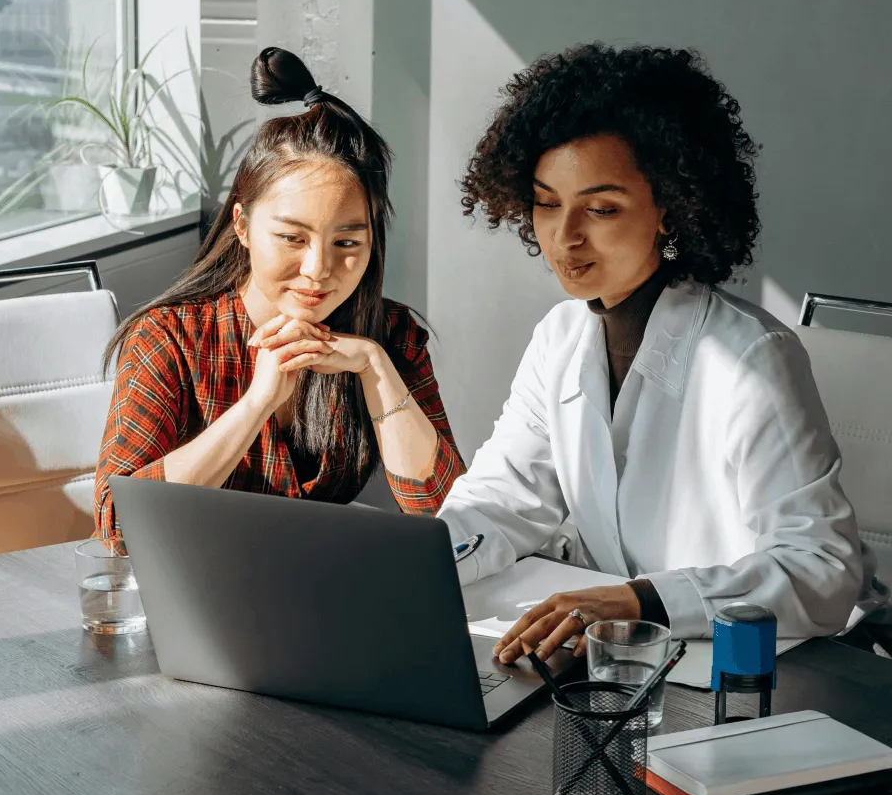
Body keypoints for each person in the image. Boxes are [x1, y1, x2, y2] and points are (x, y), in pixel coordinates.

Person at [438, 42, 885, 663]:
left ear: (671, 210)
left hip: (762, 667)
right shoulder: (560, 338)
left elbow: (821, 569)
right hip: (629, 661)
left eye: (600, 208)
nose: (564, 236)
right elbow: (503, 500)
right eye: (546, 203)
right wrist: (416, 565)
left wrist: (641, 600)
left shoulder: (751, 358)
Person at [94, 47, 465, 549]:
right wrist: (257, 402)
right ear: (242, 226)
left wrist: (375, 367)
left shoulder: (392, 335)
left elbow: (449, 517)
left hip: (313, 591)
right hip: (197, 593)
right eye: (293, 238)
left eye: (347, 243)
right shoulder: (170, 338)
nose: (318, 270)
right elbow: (117, 528)